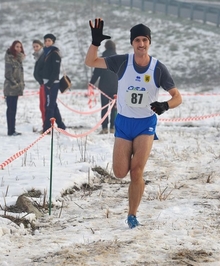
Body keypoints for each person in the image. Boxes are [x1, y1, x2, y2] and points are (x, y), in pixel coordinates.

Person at [85, 18, 182, 228]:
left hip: (145, 124)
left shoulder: (158, 68)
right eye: (137, 40)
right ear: (132, 43)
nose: (141, 43)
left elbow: (177, 96)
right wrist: (95, 43)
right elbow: (91, 62)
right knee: (120, 173)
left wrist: (166, 105)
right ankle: (132, 194)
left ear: (149, 42)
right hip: (124, 123)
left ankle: (132, 215)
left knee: (136, 171)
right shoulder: (122, 62)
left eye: (144, 40)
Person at [89, 40, 118, 134]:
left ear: (105, 47)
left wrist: (91, 83)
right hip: (116, 87)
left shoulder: (102, 59)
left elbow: (96, 73)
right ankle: (113, 127)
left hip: (104, 87)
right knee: (114, 107)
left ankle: (104, 128)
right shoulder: (119, 59)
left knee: (104, 107)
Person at [42, 33, 66, 133]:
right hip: (47, 82)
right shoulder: (46, 53)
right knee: (52, 104)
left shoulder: (55, 53)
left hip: (52, 83)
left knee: (50, 106)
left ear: (53, 42)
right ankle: (61, 126)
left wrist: (49, 83)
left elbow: (56, 71)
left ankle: (47, 128)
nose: (47, 42)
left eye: (49, 41)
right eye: (46, 41)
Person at [3, 40, 25, 136]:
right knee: (11, 109)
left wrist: (21, 85)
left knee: (14, 109)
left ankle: (13, 129)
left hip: (16, 89)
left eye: (20, 47)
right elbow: (8, 74)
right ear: (13, 47)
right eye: (17, 47)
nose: (19, 49)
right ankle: (10, 130)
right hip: (10, 88)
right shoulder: (10, 59)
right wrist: (15, 84)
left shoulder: (18, 60)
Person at [32, 39, 46, 128]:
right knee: (42, 106)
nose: (35, 48)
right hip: (42, 84)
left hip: (45, 83)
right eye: (34, 47)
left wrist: (42, 80)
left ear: (41, 46)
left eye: (37, 46)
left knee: (44, 106)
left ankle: (47, 125)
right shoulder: (38, 56)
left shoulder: (43, 56)